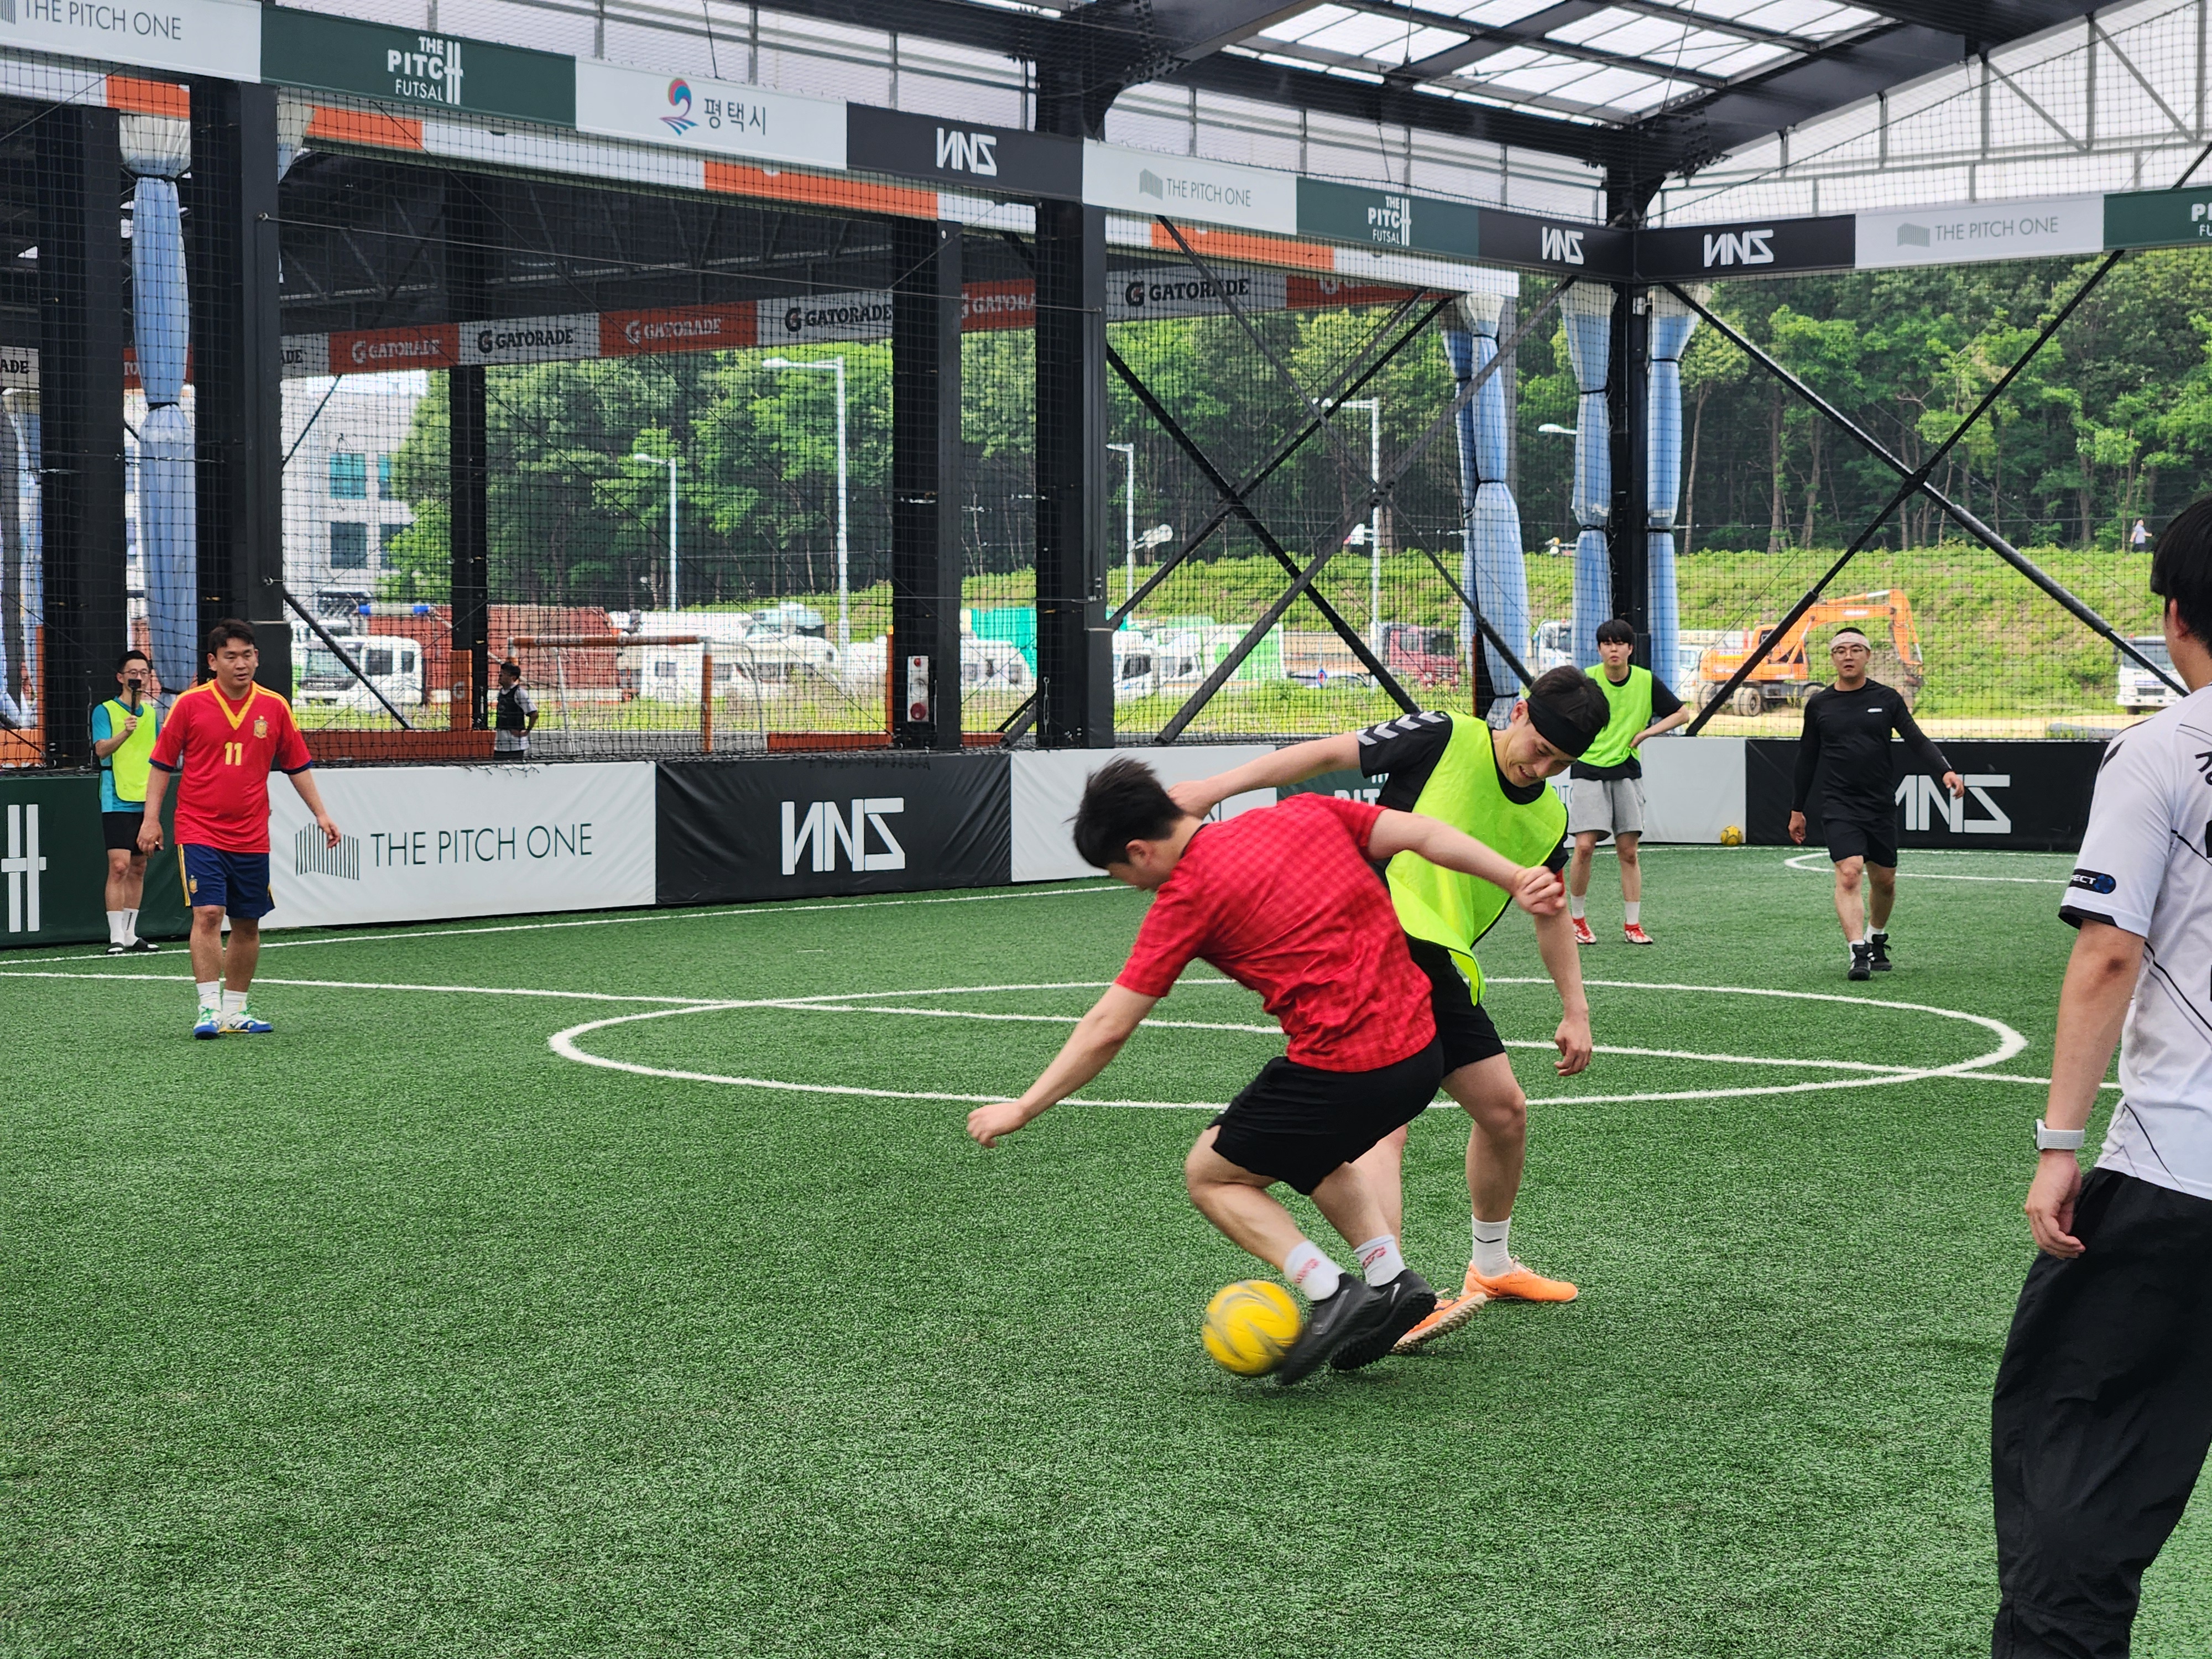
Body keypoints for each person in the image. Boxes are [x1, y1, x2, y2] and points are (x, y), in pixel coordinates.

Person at [966, 758, 1564, 1383]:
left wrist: (1025, 1106)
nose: (1136, 888)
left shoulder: (1185, 898)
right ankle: (1390, 1278)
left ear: (1139, 851)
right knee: (1311, 1147)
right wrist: (1514, 876)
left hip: (1346, 1066)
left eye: (1124, 875)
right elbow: (1421, 833)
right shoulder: (1304, 814)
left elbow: (1108, 1027)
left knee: (1211, 1175)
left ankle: (1330, 1289)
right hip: (1423, 1049)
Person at [1167, 664, 1611, 1349]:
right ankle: (1392, 1293)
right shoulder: (1443, 736)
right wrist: (1212, 788)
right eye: (1540, 749)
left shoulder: (1550, 816)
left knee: (1504, 1113)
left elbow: (1550, 910)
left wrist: (1574, 1008)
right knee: (1387, 1121)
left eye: (1560, 763)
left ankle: (1490, 1266)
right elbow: (1323, 755)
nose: (1542, 768)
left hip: (1436, 965)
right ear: (1519, 711)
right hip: (1368, 942)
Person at [1991, 495, 2212, 1658]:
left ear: (2172, 616)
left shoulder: (2163, 748)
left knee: (2075, 1466)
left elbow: (2109, 953)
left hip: (2178, 1169)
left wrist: (2058, 1146)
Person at [137, 619, 342, 1039]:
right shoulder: (189, 705)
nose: (241, 663)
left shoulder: (274, 706)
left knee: (247, 922)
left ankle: (235, 1010)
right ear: (213, 662)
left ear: (257, 658)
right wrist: (151, 819)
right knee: (209, 913)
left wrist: (321, 814)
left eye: (247, 655)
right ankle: (208, 1009)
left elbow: (297, 765)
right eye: (230, 656)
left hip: (251, 833)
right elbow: (161, 765)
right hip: (199, 828)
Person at [1787, 627, 1962, 980]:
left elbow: (1916, 739)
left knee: (1885, 882)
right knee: (1850, 872)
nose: (1848, 656)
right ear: (1833, 658)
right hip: (1838, 803)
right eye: (1841, 651)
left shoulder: (1887, 698)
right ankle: (1858, 952)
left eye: (1856, 649)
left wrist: (1944, 770)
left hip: (1880, 804)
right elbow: (1807, 756)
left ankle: (1875, 936)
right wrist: (1797, 808)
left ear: (1867, 656)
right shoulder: (1819, 704)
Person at [1566, 619, 1689, 946]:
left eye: (1620, 643)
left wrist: (1646, 733)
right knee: (1584, 847)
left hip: (1627, 769)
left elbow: (1682, 714)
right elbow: (1559, 711)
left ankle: (1632, 925)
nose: (1614, 649)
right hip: (1588, 767)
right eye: (1607, 643)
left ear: (1630, 648)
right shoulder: (1586, 680)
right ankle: (1576, 921)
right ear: (1599, 649)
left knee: (1629, 852)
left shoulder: (1645, 681)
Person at [91, 649, 163, 955]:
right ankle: (116, 936)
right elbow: (101, 750)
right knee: (119, 866)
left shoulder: (153, 715)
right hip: (116, 797)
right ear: (121, 677)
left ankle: (131, 934)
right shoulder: (105, 711)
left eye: (144, 673)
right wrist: (125, 732)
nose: (139, 678)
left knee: (139, 867)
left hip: (145, 798)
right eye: (133, 673)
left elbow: (159, 757)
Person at [494, 659, 538, 758]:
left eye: (504, 673)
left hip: (515, 746)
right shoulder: (501, 693)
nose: (500, 675)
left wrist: (526, 732)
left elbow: (534, 714)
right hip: (500, 746)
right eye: (500, 673)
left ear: (513, 678)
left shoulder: (519, 693)